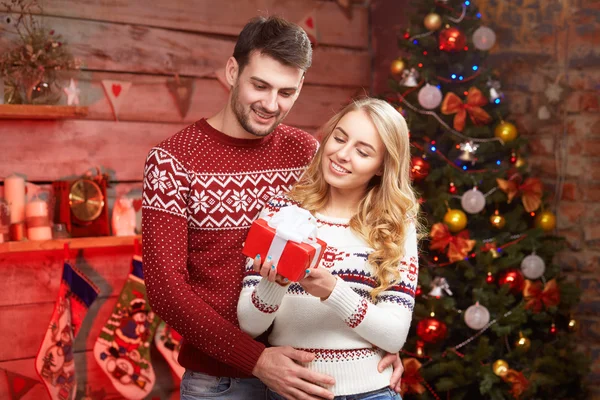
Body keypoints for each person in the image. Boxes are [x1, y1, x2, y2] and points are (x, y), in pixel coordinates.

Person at [142, 16, 402, 400]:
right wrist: (256, 361)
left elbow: (362, 243)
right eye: (259, 85)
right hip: (220, 383)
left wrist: (381, 342)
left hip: (309, 376)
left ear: (300, 87)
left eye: (285, 92)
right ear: (233, 71)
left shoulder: (307, 153)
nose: (270, 104)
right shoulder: (173, 161)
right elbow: (166, 290)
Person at [238, 97, 420, 399]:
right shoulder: (282, 211)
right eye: (339, 138)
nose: (342, 154)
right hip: (292, 393)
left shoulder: (396, 225)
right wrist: (275, 283)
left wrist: (333, 290)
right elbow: (249, 325)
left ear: (381, 167)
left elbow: (394, 335)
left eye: (363, 152)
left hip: (371, 392)